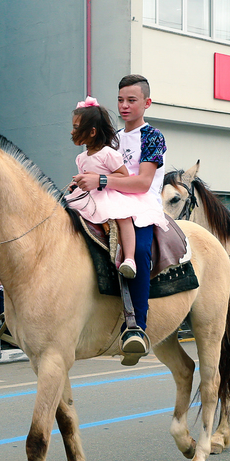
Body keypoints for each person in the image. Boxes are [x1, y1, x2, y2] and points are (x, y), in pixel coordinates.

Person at [69, 74, 167, 362]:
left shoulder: (153, 136)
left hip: (140, 204)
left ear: (147, 103)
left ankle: (136, 327)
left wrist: (100, 180)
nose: (124, 106)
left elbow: (143, 183)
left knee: (140, 251)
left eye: (132, 100)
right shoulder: (112, 137)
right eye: (121, 100)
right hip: (102, 198)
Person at [66, 97, 157, 277]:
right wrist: (77, 183)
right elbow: (86, 177)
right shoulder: (81, 158)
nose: (72, 131)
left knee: (123, 218)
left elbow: (123, 175)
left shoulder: (108, 153)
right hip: (89, 197)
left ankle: (129, 258)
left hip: (108, 194)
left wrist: (100, 179)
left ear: (92, 132)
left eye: (76, 127)